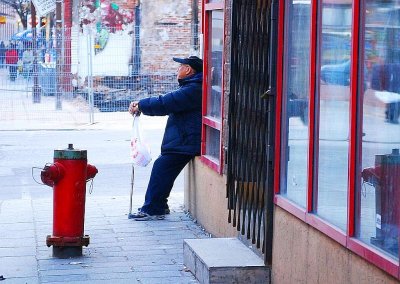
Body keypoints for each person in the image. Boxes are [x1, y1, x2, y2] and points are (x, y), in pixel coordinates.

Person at [128, 55, 203, 221]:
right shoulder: (193, 86)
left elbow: (165, 103)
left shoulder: (194, 89)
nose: (178, 69)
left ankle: (154, 208)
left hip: (186, 141)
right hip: (185, 138)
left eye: (180, 67)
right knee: (163, 167)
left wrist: (140, 105)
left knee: (162, 166)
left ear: (189, 70)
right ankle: (158, 204)